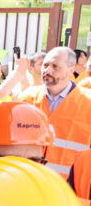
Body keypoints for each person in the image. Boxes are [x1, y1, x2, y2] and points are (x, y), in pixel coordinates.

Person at [18, 46, 91, 177]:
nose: (48, 70)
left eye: (55, 66)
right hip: (29, 179)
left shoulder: (88, 102)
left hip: (69, 184)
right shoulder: (26, 98)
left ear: (71, 70)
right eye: (45, 65)